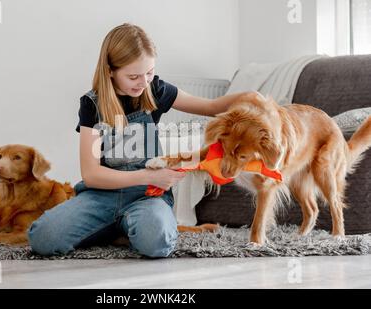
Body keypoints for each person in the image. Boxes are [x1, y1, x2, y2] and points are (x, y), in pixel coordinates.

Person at [28, 23, 253, 257]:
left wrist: (249, 96)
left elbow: (211, 106)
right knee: (43, 238)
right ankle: (119, 228)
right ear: (110, 71)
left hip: (147, 197)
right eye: (134, 76)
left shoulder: (156, 90)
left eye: (149, 72)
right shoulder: (92, 104)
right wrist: (150, 175)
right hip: (101, 196)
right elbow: (92, 175)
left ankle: (129, 226)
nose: (143, 82)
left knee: (157, 243)